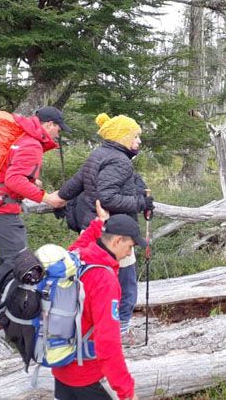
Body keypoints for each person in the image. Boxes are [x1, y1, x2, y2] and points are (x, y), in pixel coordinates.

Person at [0, 106, 69, 332]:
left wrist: (30, 182)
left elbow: (11, 172)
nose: (59, 134)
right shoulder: (32, 144)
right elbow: (15, 180)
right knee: (17, 259)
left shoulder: (24, 137)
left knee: (9, 256)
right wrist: (46, 198)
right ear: (49, 125)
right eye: (58, 128)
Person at [56, 113, 154, 342]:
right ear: (123, 138)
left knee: (92, 284)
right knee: (125, 285)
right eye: (136, 137)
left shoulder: (98, 154)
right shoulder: (119, 161)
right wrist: (142, 203)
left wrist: (57, 198)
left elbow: (75, 183)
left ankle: (90, 332)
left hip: (92, 229)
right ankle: (118, 333)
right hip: (114, 235)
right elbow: (107, 198)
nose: (139, 142)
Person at [53, 199, 142, 400]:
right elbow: (108, 342)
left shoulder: (77, 259)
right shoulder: (104, 279)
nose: (129, 253)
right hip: (84, 374)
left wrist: (99, 224)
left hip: (61, 363)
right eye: (130, 246)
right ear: (117, 241)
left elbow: (80, 243)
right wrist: (126, 392)